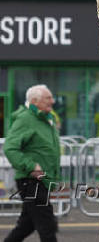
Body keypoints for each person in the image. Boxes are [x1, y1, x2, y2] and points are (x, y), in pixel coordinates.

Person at [3, 84, 60, 242]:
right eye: (48, 98)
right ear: (35, 101)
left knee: (26, 225)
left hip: (42, 181)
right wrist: (30, 166)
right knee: (47, 226)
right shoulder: (26, 118)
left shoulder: (45, 119)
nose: (52, 101)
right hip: (31, 181)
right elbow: (10, 147)